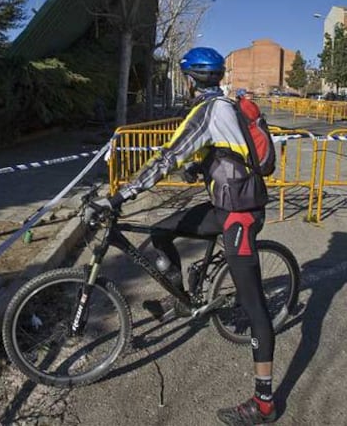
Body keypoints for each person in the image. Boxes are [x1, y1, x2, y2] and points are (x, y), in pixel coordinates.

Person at [85, 47, 277, 425]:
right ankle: (181, 295)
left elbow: (167, 157)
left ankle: (265, 403)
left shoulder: (208, 111)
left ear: (192, 79)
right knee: (162, 230)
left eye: (186, 78)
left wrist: (120, 195)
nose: (187, 84)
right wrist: (198, 167)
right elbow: (220, 150)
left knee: (255, 307)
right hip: (224, 204)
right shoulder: (222, 105)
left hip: (239, 214)